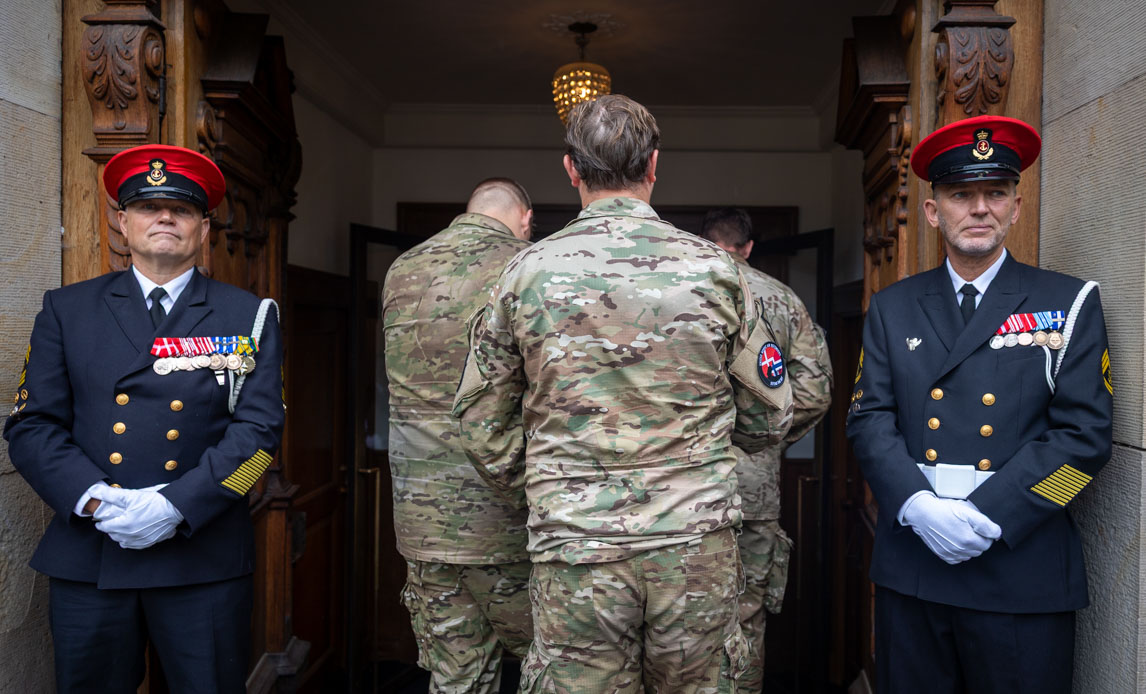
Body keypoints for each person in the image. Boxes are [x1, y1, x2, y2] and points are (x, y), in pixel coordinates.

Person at [452, 94, 795, 693]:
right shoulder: (716, 271)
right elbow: (770, 412)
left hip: (575, 547)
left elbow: (481, 418)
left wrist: (545, 482)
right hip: (694, 543)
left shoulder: (524, 274)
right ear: (655, 165)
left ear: (571, 168)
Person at [3, 144, 285, 693]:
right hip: (92, 553)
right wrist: (92, 497)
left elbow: (259, 436)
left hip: (201, 557)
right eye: (148, 207)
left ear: (203, 229)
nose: (164, 219)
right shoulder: (67, 309)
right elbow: (30, 425)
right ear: (122, 223)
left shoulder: (246, 314)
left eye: (180, 211)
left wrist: (173, 506)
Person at [846, 115, 1112, 693]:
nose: (979, 208)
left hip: (1022, 566)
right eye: (961, 194)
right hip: (915, 564)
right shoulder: (894, 307)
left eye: (995, 193)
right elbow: (868, 419)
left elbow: (1086, 438)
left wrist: (991, 514)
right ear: (933, 211)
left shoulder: (1067, 302)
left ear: (1016, 207)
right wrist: (917, 506)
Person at [382, 177, 535, 693]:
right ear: (525, 218)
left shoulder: (402, 268)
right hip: (508, 520)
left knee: (456, 676)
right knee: (555, 668)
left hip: (423, 523)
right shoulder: (525, 266)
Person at [700, 208, 833, 691]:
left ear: (704, 241)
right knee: (745, 617)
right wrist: (764, 441)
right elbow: (815, 393)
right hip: (752, 490)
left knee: (676, 624)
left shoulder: (682, 290)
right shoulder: (781, 298)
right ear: (749, 247)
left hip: (680, 489)